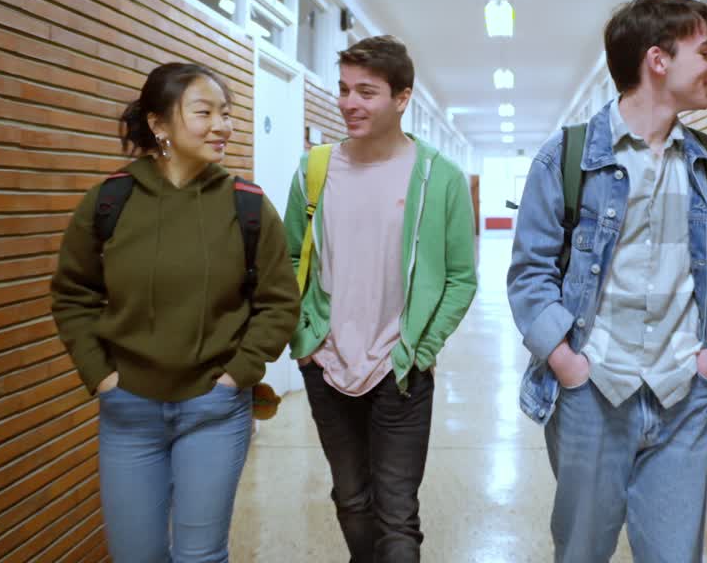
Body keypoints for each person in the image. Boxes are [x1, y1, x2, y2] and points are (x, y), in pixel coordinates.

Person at [508, 0, 707, 562]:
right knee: (581, 553)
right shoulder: (565, 158)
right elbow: (529, 274)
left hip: (681, 393)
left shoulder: (706, 163)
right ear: (658, 60)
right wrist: (566, 364)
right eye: (706, 52)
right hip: (593, 394)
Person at [51, 62, 299, 562]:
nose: (222, 125)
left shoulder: (247, 205)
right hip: (129, 412)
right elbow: (72, 294)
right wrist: (101, 377)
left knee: (199, 555)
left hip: (214, 407)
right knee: (135, 555)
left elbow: (279, 301)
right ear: (159, 124)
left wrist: (238, 374)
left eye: (226, 114)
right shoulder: (110, 201)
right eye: (204, 112)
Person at [285, 35, 478, 563]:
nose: (349, 102)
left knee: (397, 514)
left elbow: (462, 277)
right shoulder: (314, 171)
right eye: (344, 89)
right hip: (326, 366)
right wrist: (305, 341)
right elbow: (287, 262)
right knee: (350, 498)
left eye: (366, 92)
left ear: (401, 97)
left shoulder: (440, 178)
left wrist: (420, 348)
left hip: (400, 370)